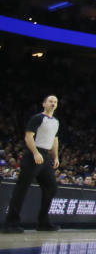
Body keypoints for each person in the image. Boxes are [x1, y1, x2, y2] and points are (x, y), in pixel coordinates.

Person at [2, 95, 61, 233]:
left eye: (55, 102)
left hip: (46, 156)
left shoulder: (56, 121)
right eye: (50, 101)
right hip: (34, 155)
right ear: (44, 104)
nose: (53, 103)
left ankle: (43, 222)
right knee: (22, 188)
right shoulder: (38, 118)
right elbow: (28, 136)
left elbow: (55, 140)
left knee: (51, 188)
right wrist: (35, 152)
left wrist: (56, 156)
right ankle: (11, 223)